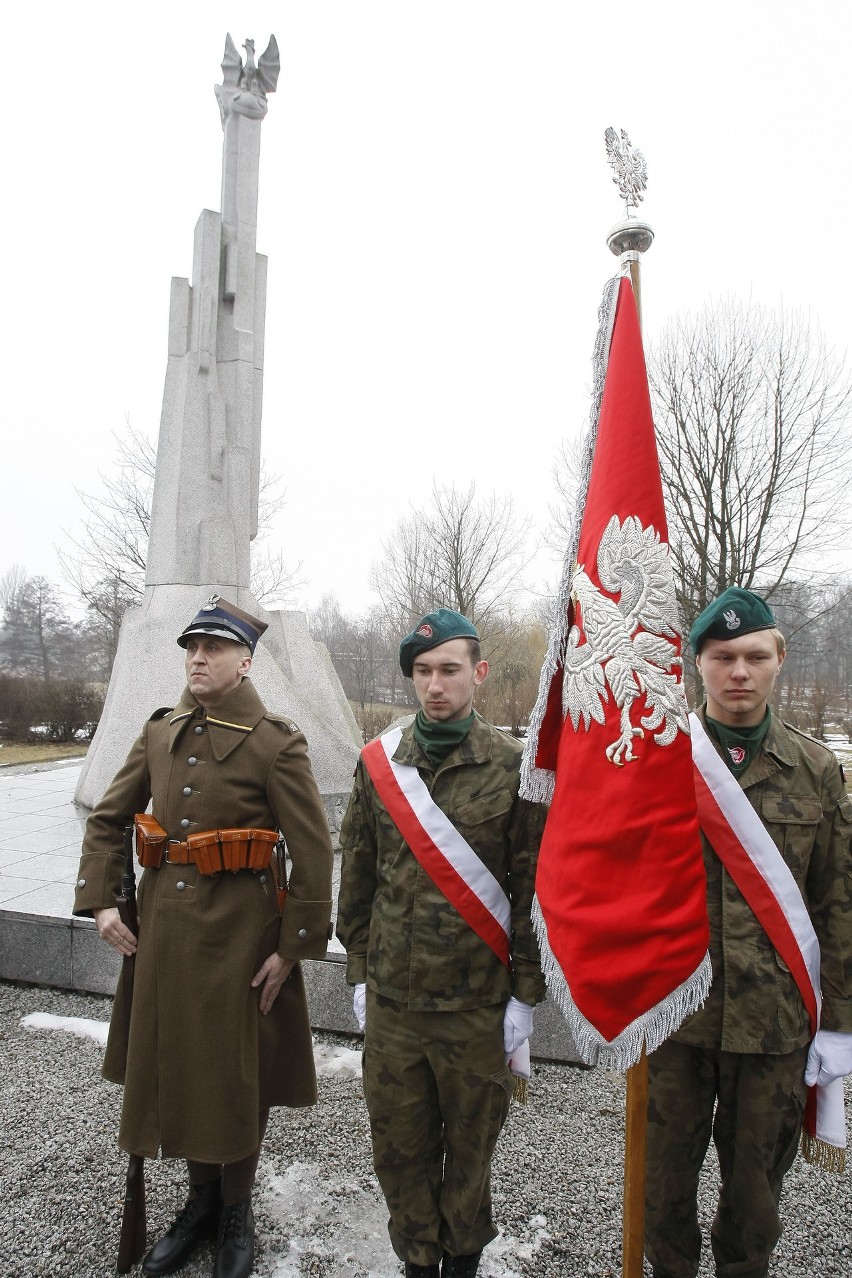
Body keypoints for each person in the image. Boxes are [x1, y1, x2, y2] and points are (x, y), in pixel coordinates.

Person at [74, 595, 334, 1278]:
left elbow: (313, 852)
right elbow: (108, 820)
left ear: (245, 661)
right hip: (163, 933)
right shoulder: (160, 731)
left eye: (214, 648)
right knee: (182, 1062)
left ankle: (237, 1207)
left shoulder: (278, 742)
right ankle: (200, 1203)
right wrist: (105, 902)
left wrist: (292, 947)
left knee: (235, 1072)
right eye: (192, 646)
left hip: (243, 938)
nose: (198, 657)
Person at [645, 586, 852, 1278]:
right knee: (660, 1190)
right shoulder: (655, 763)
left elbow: (839, 903)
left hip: (773, 1031)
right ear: (696, 662)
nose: (739, 671)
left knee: (755, 1202)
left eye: (754, 656)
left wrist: (839, 1024)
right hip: (674, 1021)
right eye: (723, 655)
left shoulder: (818, 771)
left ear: (779, 660)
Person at [336, 608, 547, 1278]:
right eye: (423, 671)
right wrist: (361, 975)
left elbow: (530, 892)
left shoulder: (516, 770)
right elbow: (359, 876)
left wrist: (525, 995)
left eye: (449, 669)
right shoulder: (379, 767)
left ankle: (462, 1259)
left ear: (478, 674)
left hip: (476, 1010)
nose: (435, 684)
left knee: (472, 1149)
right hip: (396, 1009)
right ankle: (417, 1263)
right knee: (399, 1151)